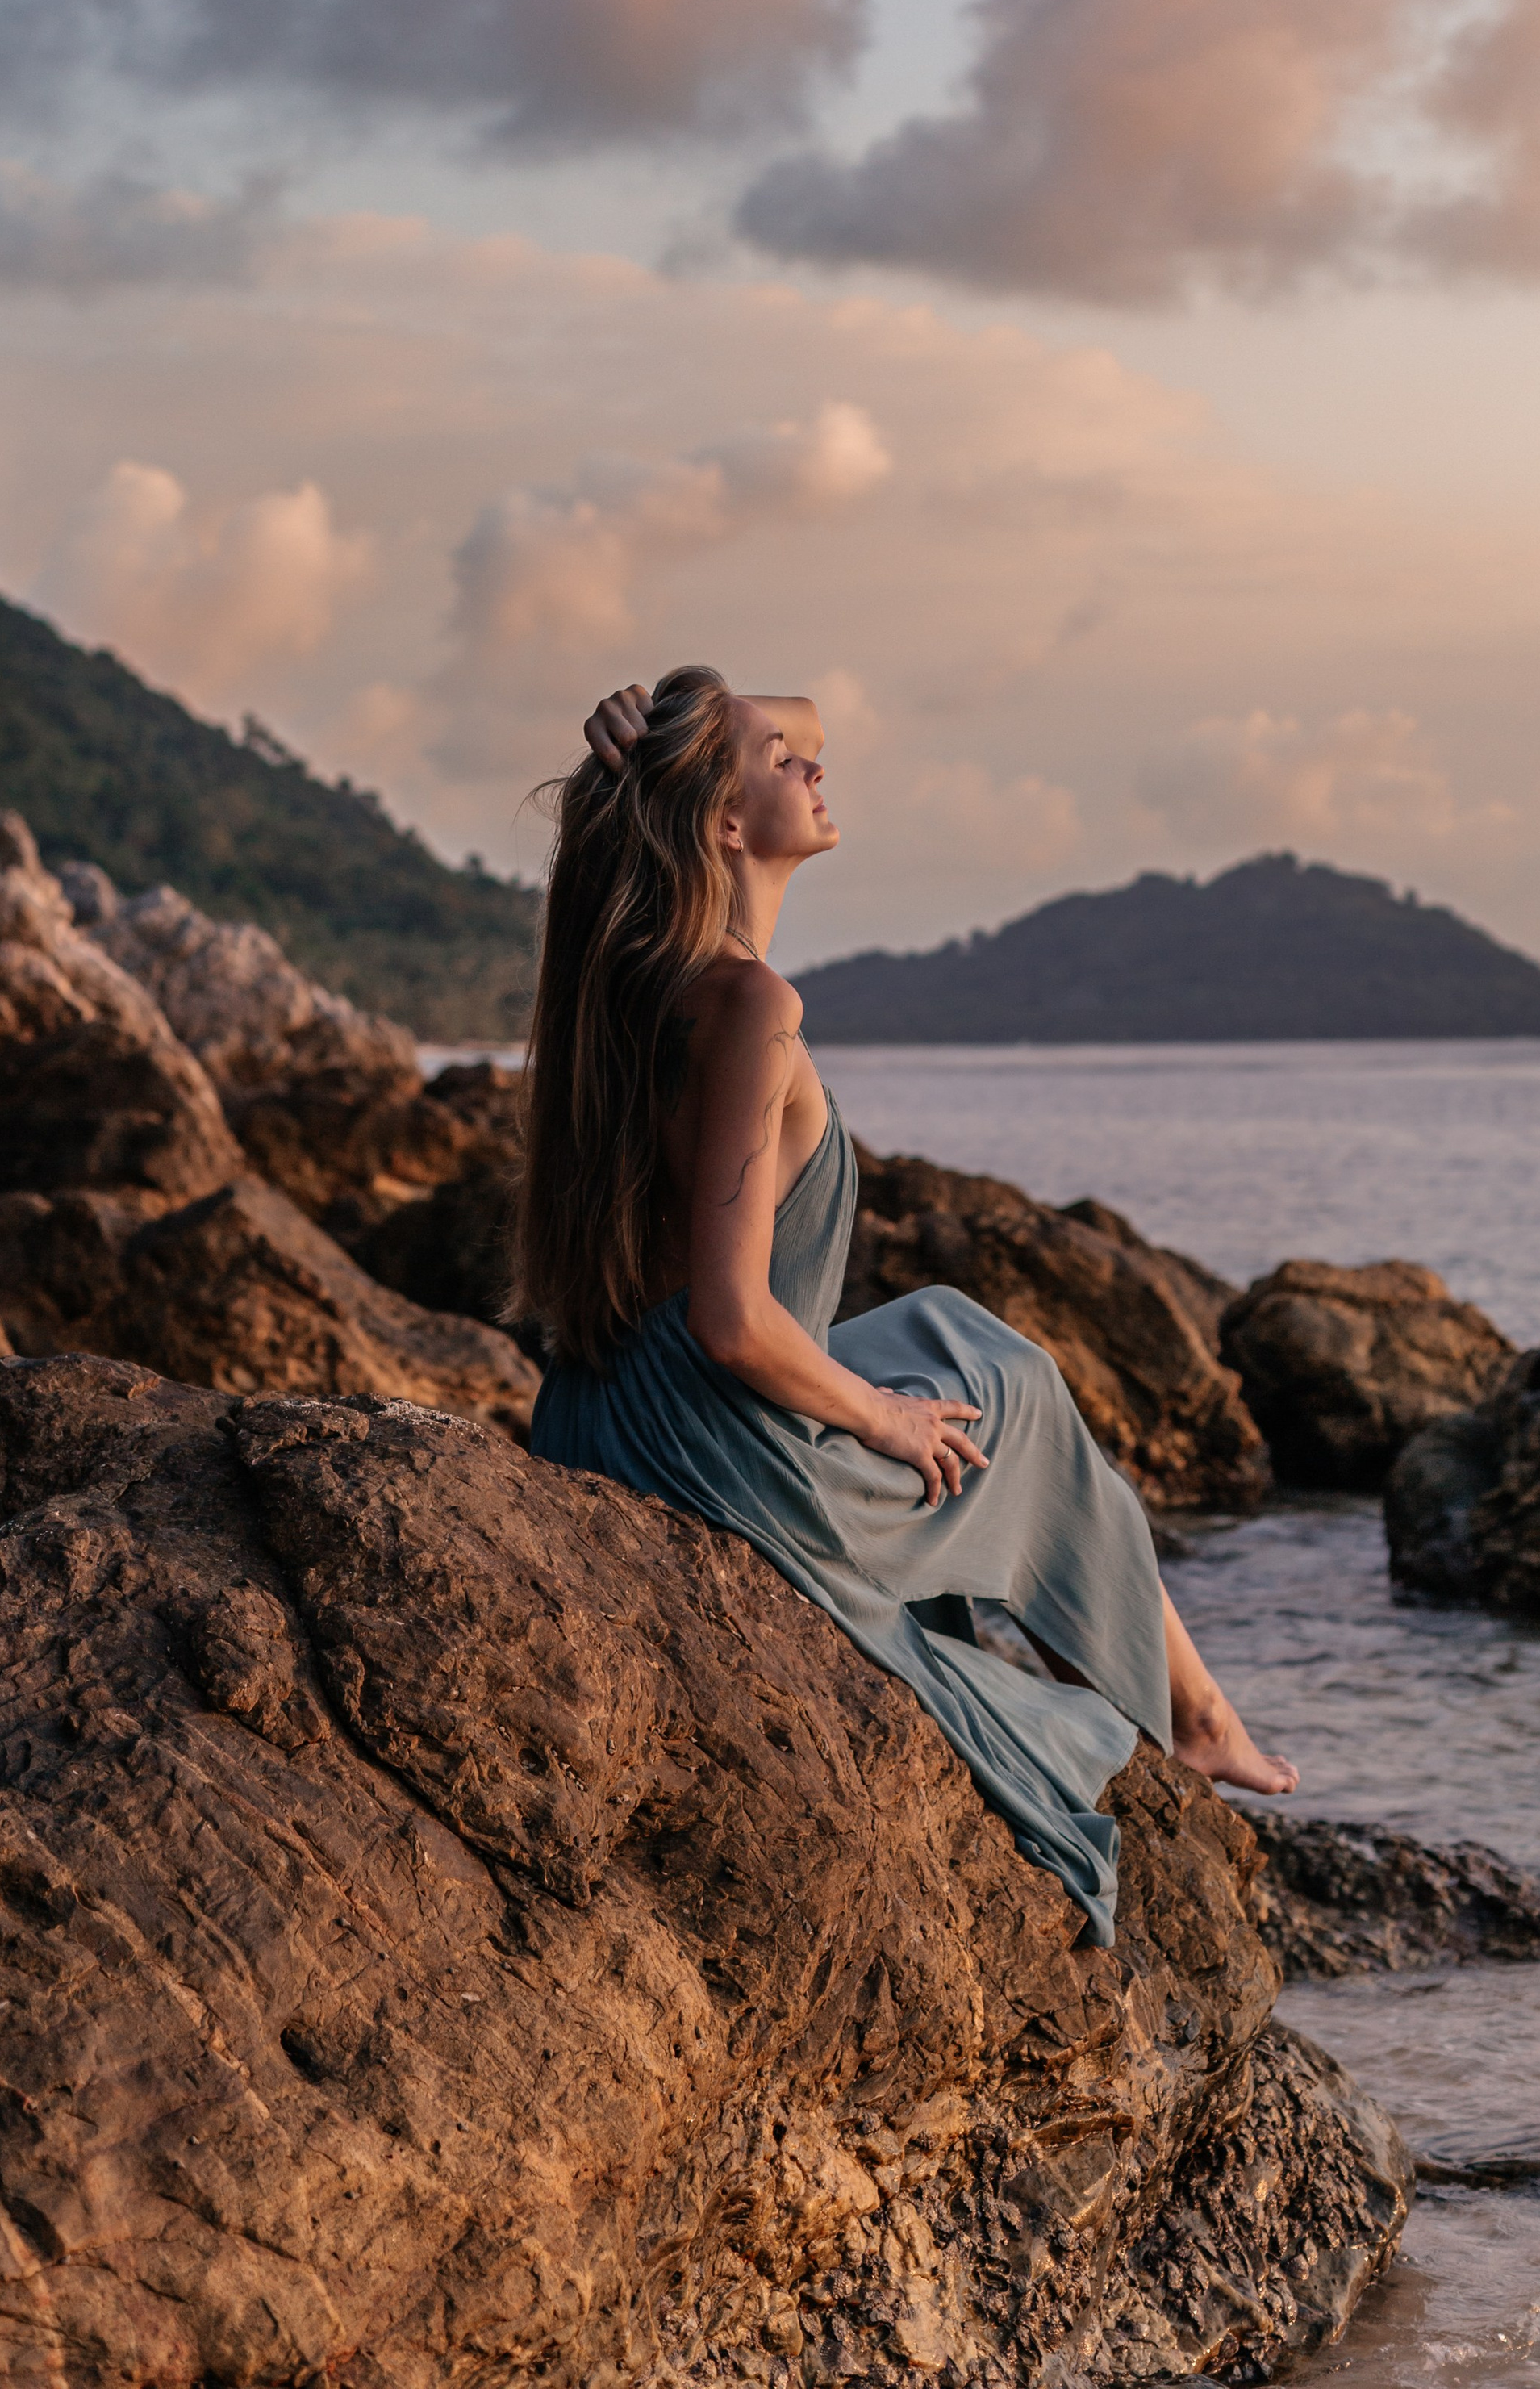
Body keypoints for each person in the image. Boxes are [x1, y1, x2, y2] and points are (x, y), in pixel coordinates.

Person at [515, 667, 1296, 1945]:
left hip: (602, 1406)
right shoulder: (748, 1005)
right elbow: (732, 1321)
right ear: (721, 818)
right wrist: (879, 1420)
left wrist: (641, 746)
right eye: (781, 758)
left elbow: (792, 719)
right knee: (1016, 1398)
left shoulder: (627, 973)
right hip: (714, 1439)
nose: (818, 767)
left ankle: (1198, 1710)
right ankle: (1195, 1720)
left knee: (964, 1333)